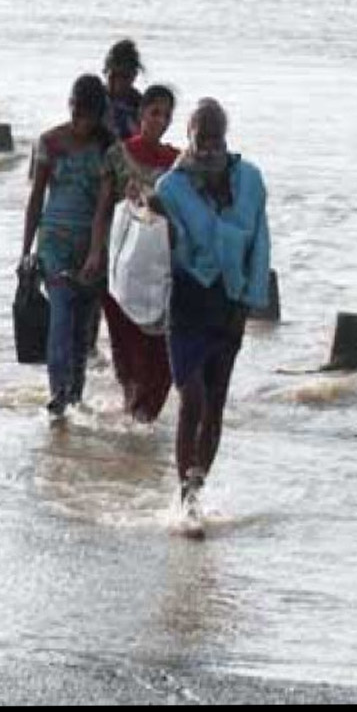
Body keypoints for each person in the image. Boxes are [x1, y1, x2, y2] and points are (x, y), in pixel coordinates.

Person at [148, 99, 271, 520]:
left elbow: (260, 244)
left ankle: (197, 488)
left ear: (226, 137)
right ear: (190, 137)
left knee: (216, 401)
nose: (209, 148)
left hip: (230, 302)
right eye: (202, 139)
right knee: (193, 398)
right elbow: (164, 248)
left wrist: (249, 302)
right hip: (187, 301)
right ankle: (184, 494)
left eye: (216, 139)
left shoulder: (250, 180)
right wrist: (155, 217)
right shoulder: (171, 188)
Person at [83, 85, 181, 423]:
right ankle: (134, 414)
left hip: (161, 270)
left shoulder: (177, 163)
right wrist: (95, 253)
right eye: (155, 113)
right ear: (141, 114)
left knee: (161, 349)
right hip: (122, 266)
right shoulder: (118, 155)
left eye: (167, 116)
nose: (161, 121)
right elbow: (102, 210)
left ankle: (144, 414)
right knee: (127, 344)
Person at [19, 75, 114, 417]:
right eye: (76, 112)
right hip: (54, 242)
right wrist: (25, 251)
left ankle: (75, 396)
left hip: (91, 243)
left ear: (98, 115)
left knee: (82, 328)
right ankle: (58, 394)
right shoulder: (49, 142)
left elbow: (104, 207)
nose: (79, 122)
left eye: (87, 116)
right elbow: (36, 198)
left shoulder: (108, 149)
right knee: (60, 315)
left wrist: (96, 252)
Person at [103, 38, 144, 141]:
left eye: (124, 76)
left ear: (134, 75)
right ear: (106, 72)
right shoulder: (95, 97)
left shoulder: (140, 105)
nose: (118, 83)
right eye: (113, 75)